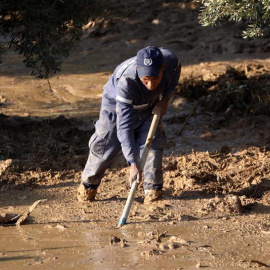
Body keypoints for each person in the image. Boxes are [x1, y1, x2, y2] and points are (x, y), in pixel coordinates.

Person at [78, 46, 181, 203]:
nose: (150, 86)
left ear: (162, 68)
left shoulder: (170, 61)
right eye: (145, 80)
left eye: (155, 79)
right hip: (115, 105)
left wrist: (164, 100)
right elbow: (124, 127)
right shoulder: (126, 81)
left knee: (152, 144)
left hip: (148, 105)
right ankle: (88, 188)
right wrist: (132, 162)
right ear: (138, 70)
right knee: (106, 144)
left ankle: (153, 192)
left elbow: (174, 76)